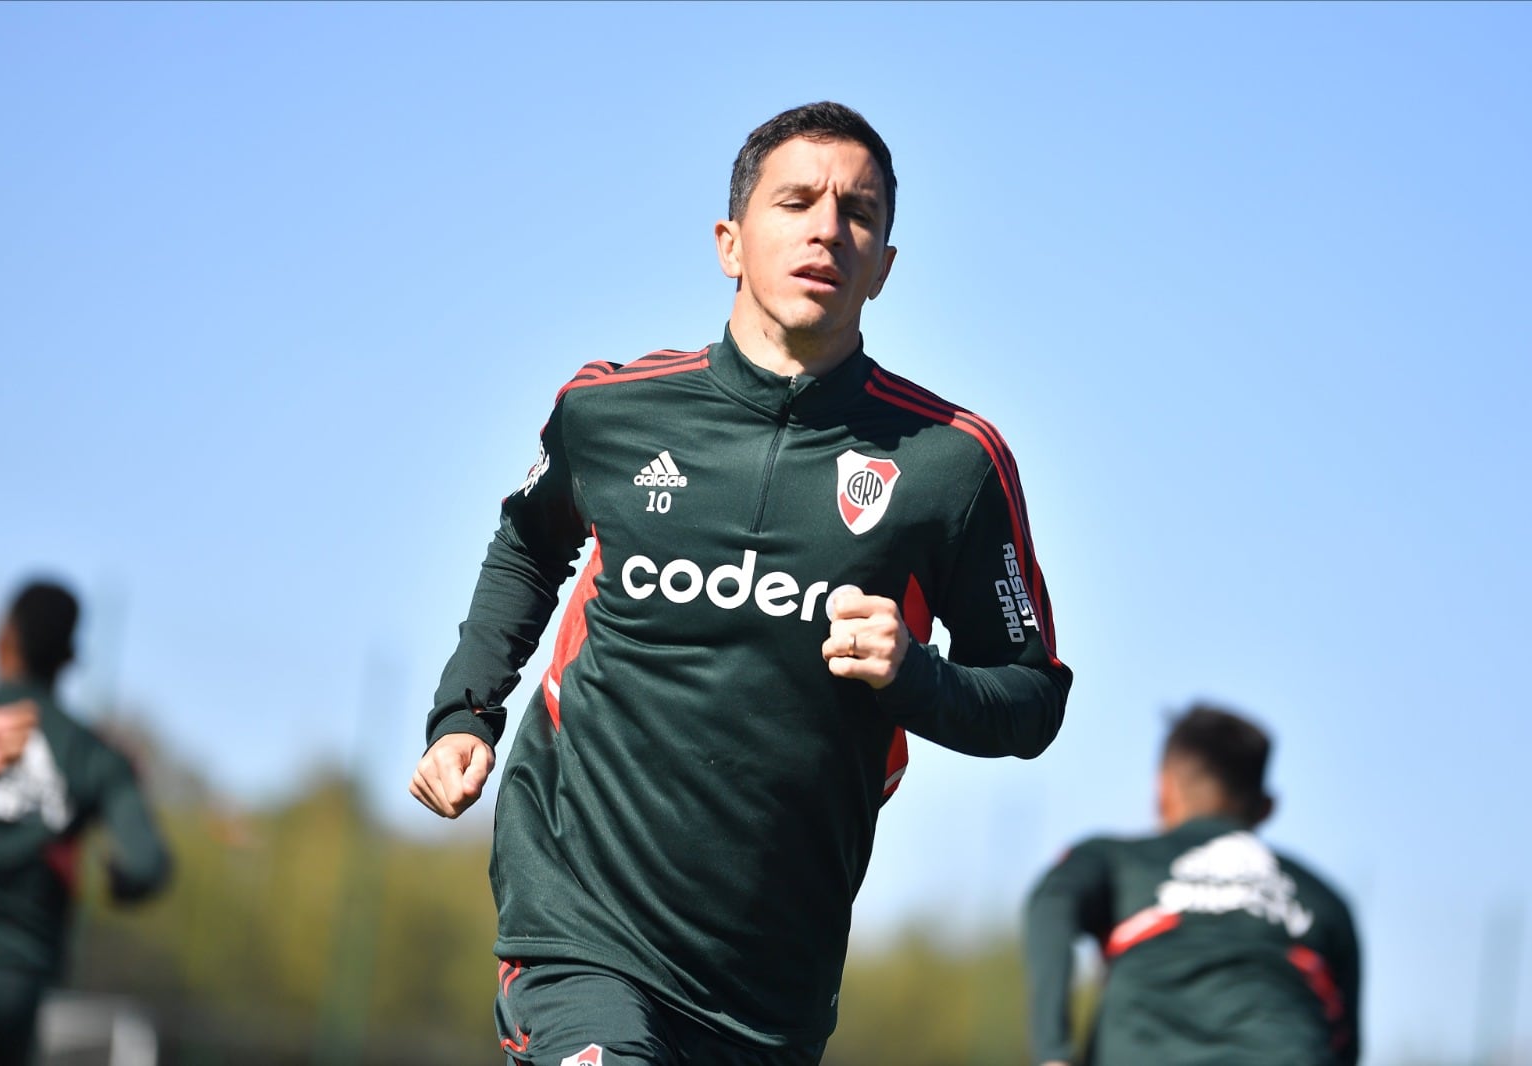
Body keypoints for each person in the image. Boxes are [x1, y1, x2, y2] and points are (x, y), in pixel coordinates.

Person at [410, 101, 1072, 1066]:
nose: (826, 229)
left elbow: (1030, 700)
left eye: (859, 213)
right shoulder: (609, 413)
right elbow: (527, 544)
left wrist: (914, 676)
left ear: (886, 264)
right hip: (579, 923)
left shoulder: (951, 465)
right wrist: (466, 712)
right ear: (730, 242)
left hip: (771, 986)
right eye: (796, 201)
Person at [1023, 704, 1360, 1066]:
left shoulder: (1118, 860)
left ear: (1163, 790)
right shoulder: (1324, 901)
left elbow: (1051, 902)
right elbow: (1345, 1045)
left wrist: (1053, 1053)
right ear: (1266, 808)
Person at [0, 579, 171, 1065]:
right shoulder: (95, 755)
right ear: (68, 659)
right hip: (23, 983)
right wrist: (121, 883)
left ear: (3, 639)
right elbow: (148, 864)